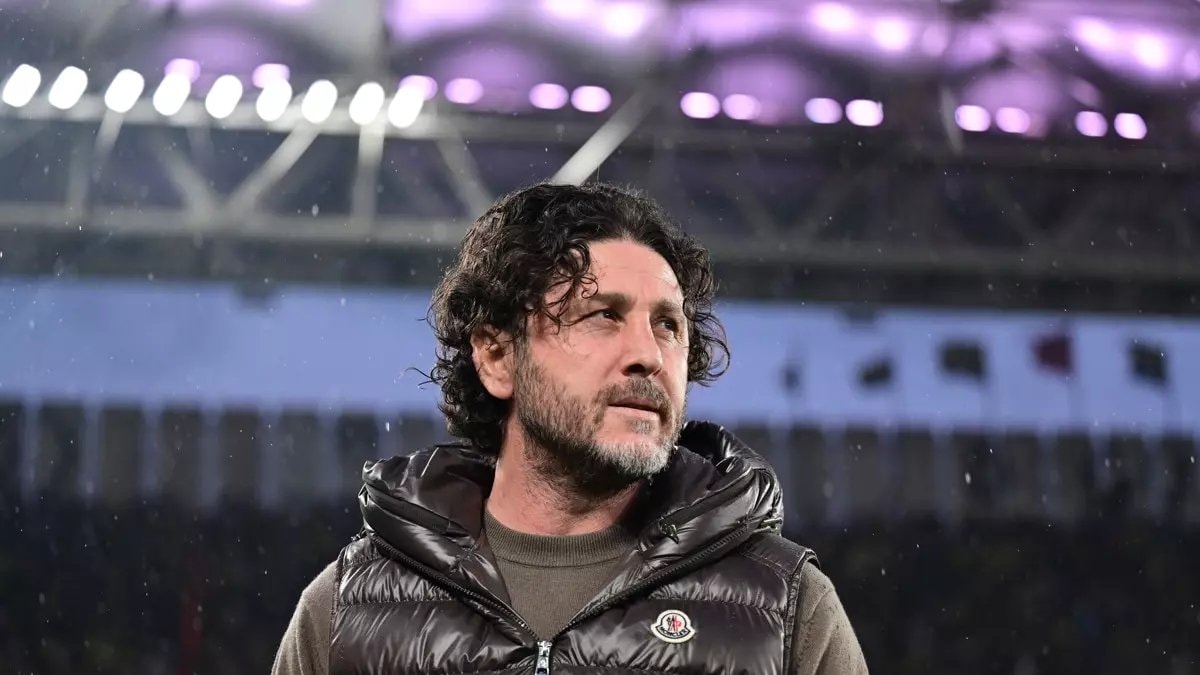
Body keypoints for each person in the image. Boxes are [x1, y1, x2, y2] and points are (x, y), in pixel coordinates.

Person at [272, 182, 868, 674]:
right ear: (497, 356)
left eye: (668, 325)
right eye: (603, 315)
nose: (649, 355)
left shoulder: (788, 610)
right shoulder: (345, 611)